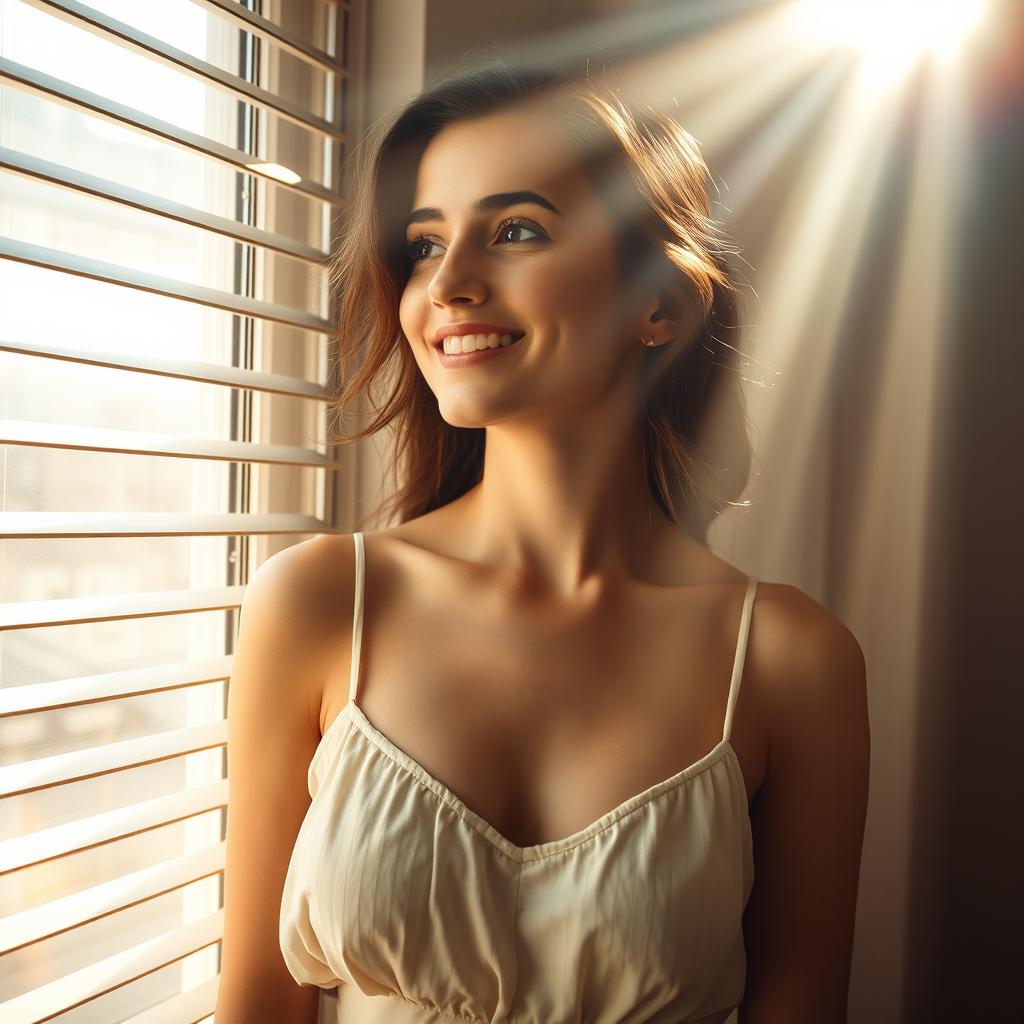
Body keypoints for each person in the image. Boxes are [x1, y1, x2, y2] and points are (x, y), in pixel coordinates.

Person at [215, 57, 870, 1024]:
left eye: (515, 231)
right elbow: (258, 1008)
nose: (450, 284)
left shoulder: (790, 661)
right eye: (425, 244)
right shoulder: (317, 602)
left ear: (661, 307)